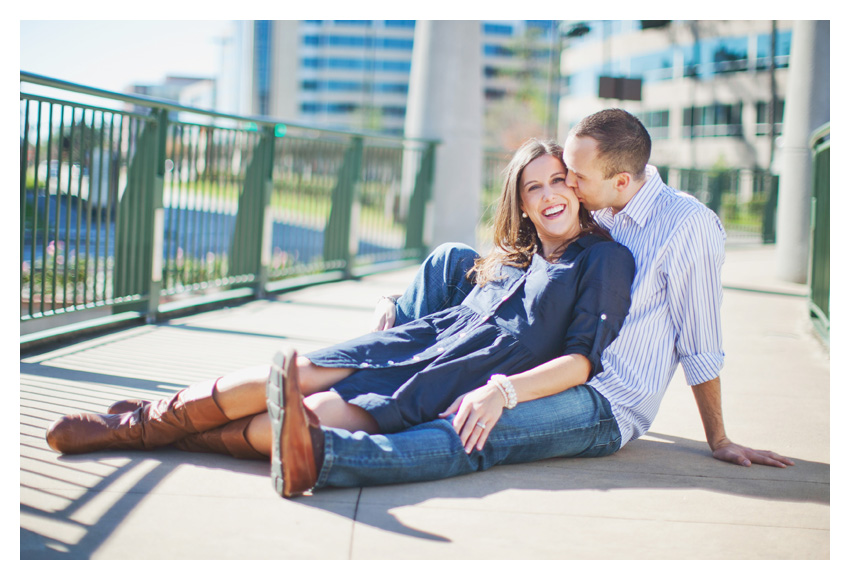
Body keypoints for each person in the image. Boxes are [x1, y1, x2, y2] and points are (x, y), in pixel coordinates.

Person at [45, 139, 637, 499]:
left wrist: (503, 392)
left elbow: (582, 360)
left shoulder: (603, 258)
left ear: (579, 188)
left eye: (559, 180)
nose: (549, 194)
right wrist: (395, 308)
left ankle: (174, 430)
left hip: (448, 380)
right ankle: (131, 426)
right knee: (294, 371)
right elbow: (452, 279)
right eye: (534, 187)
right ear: (522, 201)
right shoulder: (517, 255)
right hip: (418, 343)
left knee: (304, 423)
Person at [270, 108, 793, 498]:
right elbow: (524, 270)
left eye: (573, 178)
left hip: (605, 397)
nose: (565, 186)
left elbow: (700, 340)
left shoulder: (688, 226)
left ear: (621, 180)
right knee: (452, 262)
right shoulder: (600, 205)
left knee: (476, 434)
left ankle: (326, 454)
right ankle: (380, 387)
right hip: (547, 359)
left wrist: (719, 438)